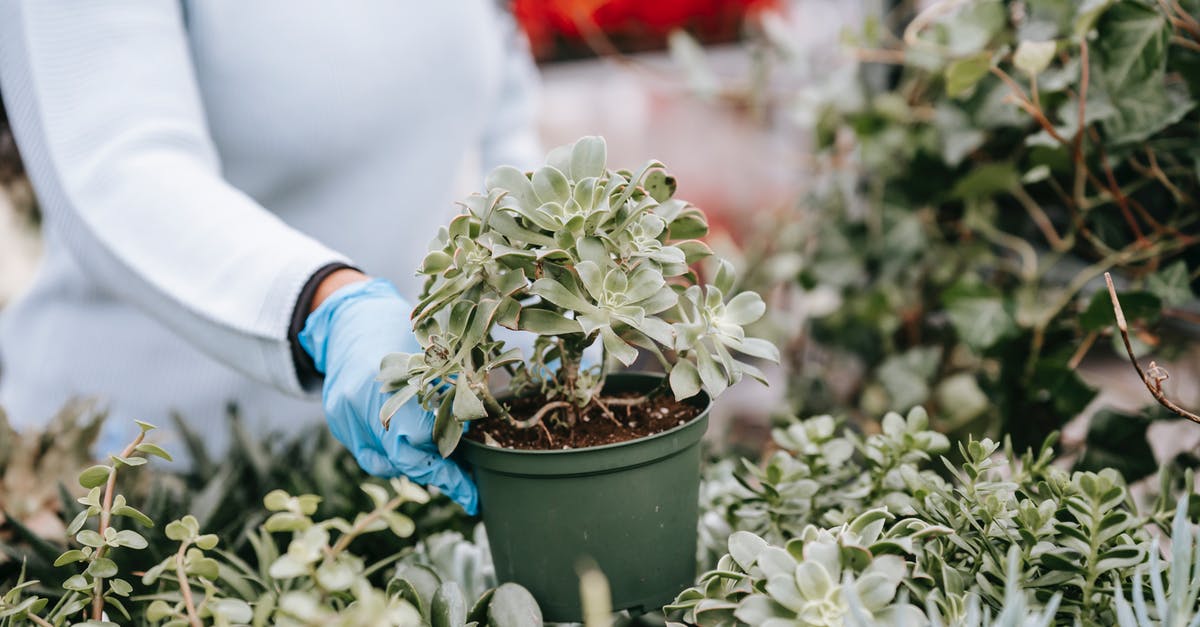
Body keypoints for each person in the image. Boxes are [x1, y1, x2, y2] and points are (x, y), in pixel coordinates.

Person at [0, 1, 543, 515]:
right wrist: (326, 303)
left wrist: (535, 298)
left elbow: (502, 120)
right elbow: (120, 171)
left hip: (388, 468)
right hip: (130, 492)